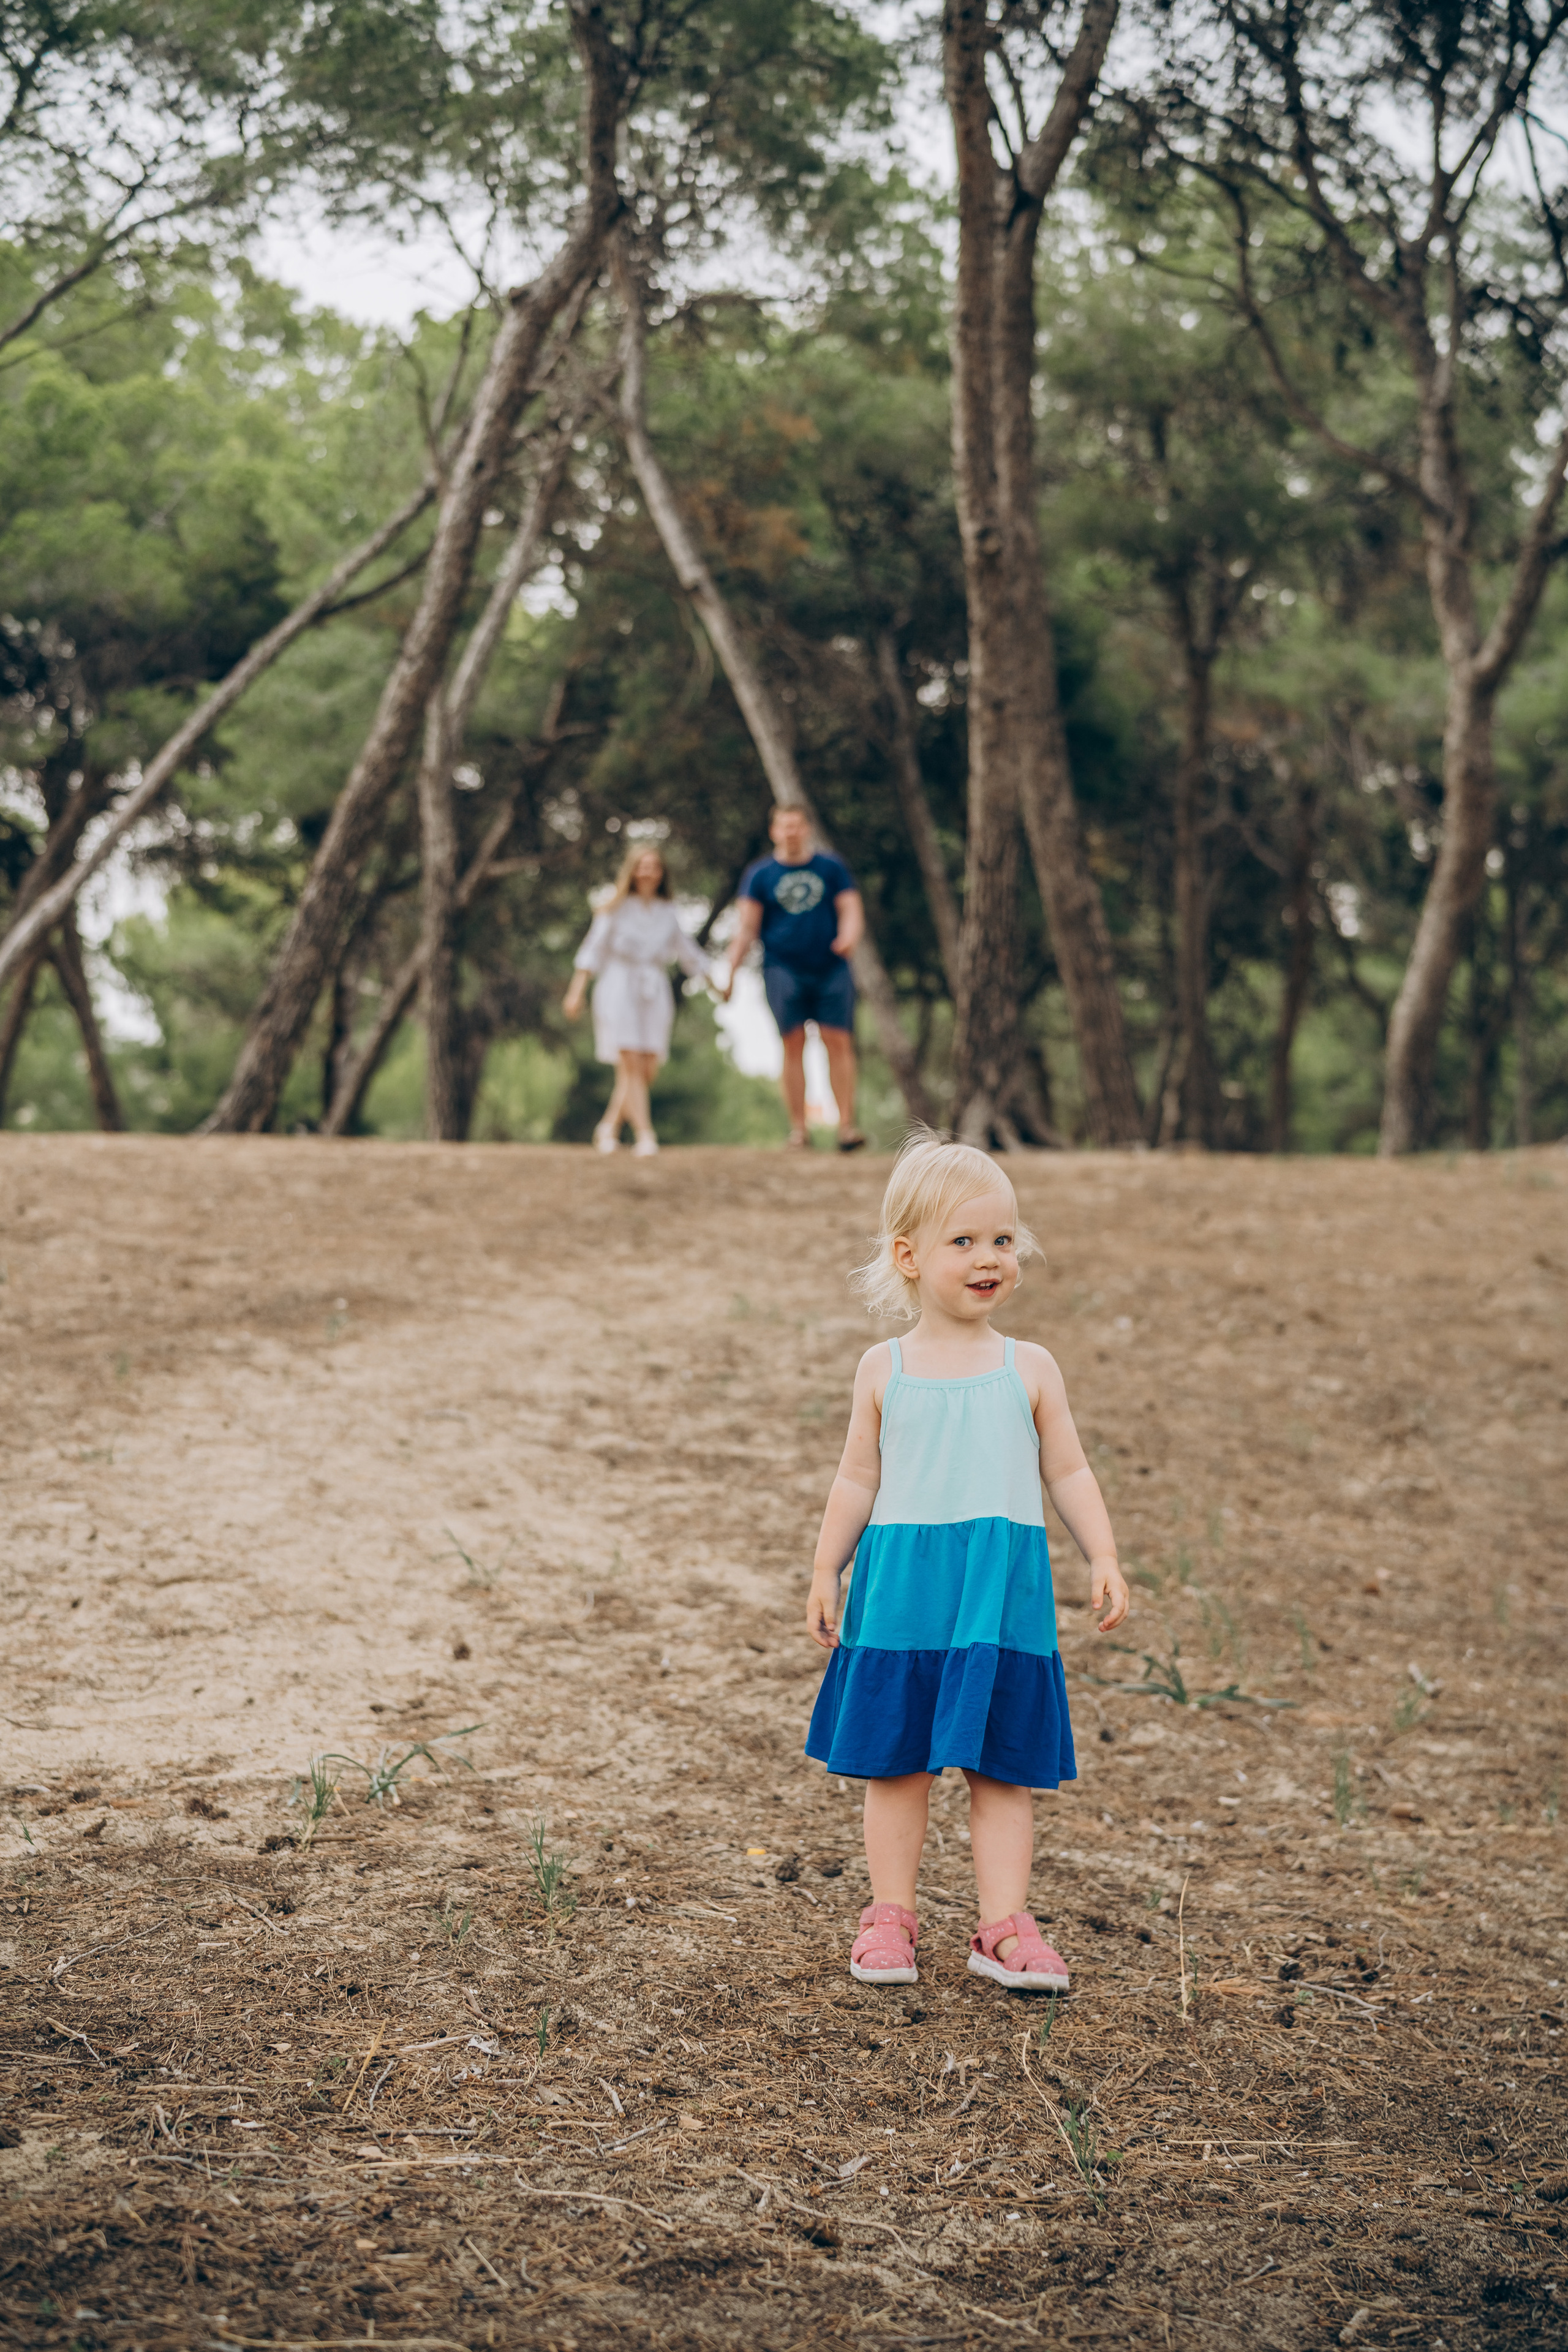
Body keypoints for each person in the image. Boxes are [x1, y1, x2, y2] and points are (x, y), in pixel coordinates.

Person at [803, 1130, 1131, 1993]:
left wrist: (1102, 1553)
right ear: (908, 1256)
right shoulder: (886, 1369)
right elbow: (855, 1478)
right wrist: (825, 1568)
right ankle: (890, 1916)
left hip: (999, 1594)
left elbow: (1069, 1467)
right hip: (906, 1592)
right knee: (896, 1763)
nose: (990, 1259)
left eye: (1003, 1240)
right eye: (965, 1242)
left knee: (1002, 1768)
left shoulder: (1030, 1367)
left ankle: (1003, 1928)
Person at [721, 805, 866, 1152]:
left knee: (838, 1041)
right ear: (774, 831)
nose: (791, 833)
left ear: (807, 830)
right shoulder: (760, 875)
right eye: (785, 827)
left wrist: (849, 936)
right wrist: (730, 971)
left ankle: (846, 1127)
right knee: (793, 1042)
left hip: (831, 966)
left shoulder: (831, 867)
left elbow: (851, 908)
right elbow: (746, 929)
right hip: (782, 967)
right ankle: (799, 1131)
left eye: (797, 826)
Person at [563, 846, 714, 1156]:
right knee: (629, 1059)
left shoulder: (668, 911)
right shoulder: (615, 908)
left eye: (654, 867)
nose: (648, 872)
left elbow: (688, 953)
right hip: (619, 984)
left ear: (662, 873)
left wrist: (716, 984)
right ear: (632, 871)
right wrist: (577, 990)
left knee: (647, 1068)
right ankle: (646, 1134)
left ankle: (608, 1127)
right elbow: (593, 949)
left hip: (653, 988)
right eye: (642, 866)